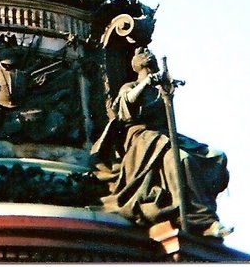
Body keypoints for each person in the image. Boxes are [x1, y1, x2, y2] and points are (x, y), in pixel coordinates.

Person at [91, 47, 230, 238]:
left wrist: (168, 93)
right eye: (144, 55)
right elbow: (127, 103)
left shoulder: (161, 90)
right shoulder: (130, 87)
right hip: (144, 140)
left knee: (217, 155)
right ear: (137, 65)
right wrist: (147, 82)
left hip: (163, 136)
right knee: (183, 160)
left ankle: (202, 211)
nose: (149, 55)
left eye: (151, 55)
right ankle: (202, 220)